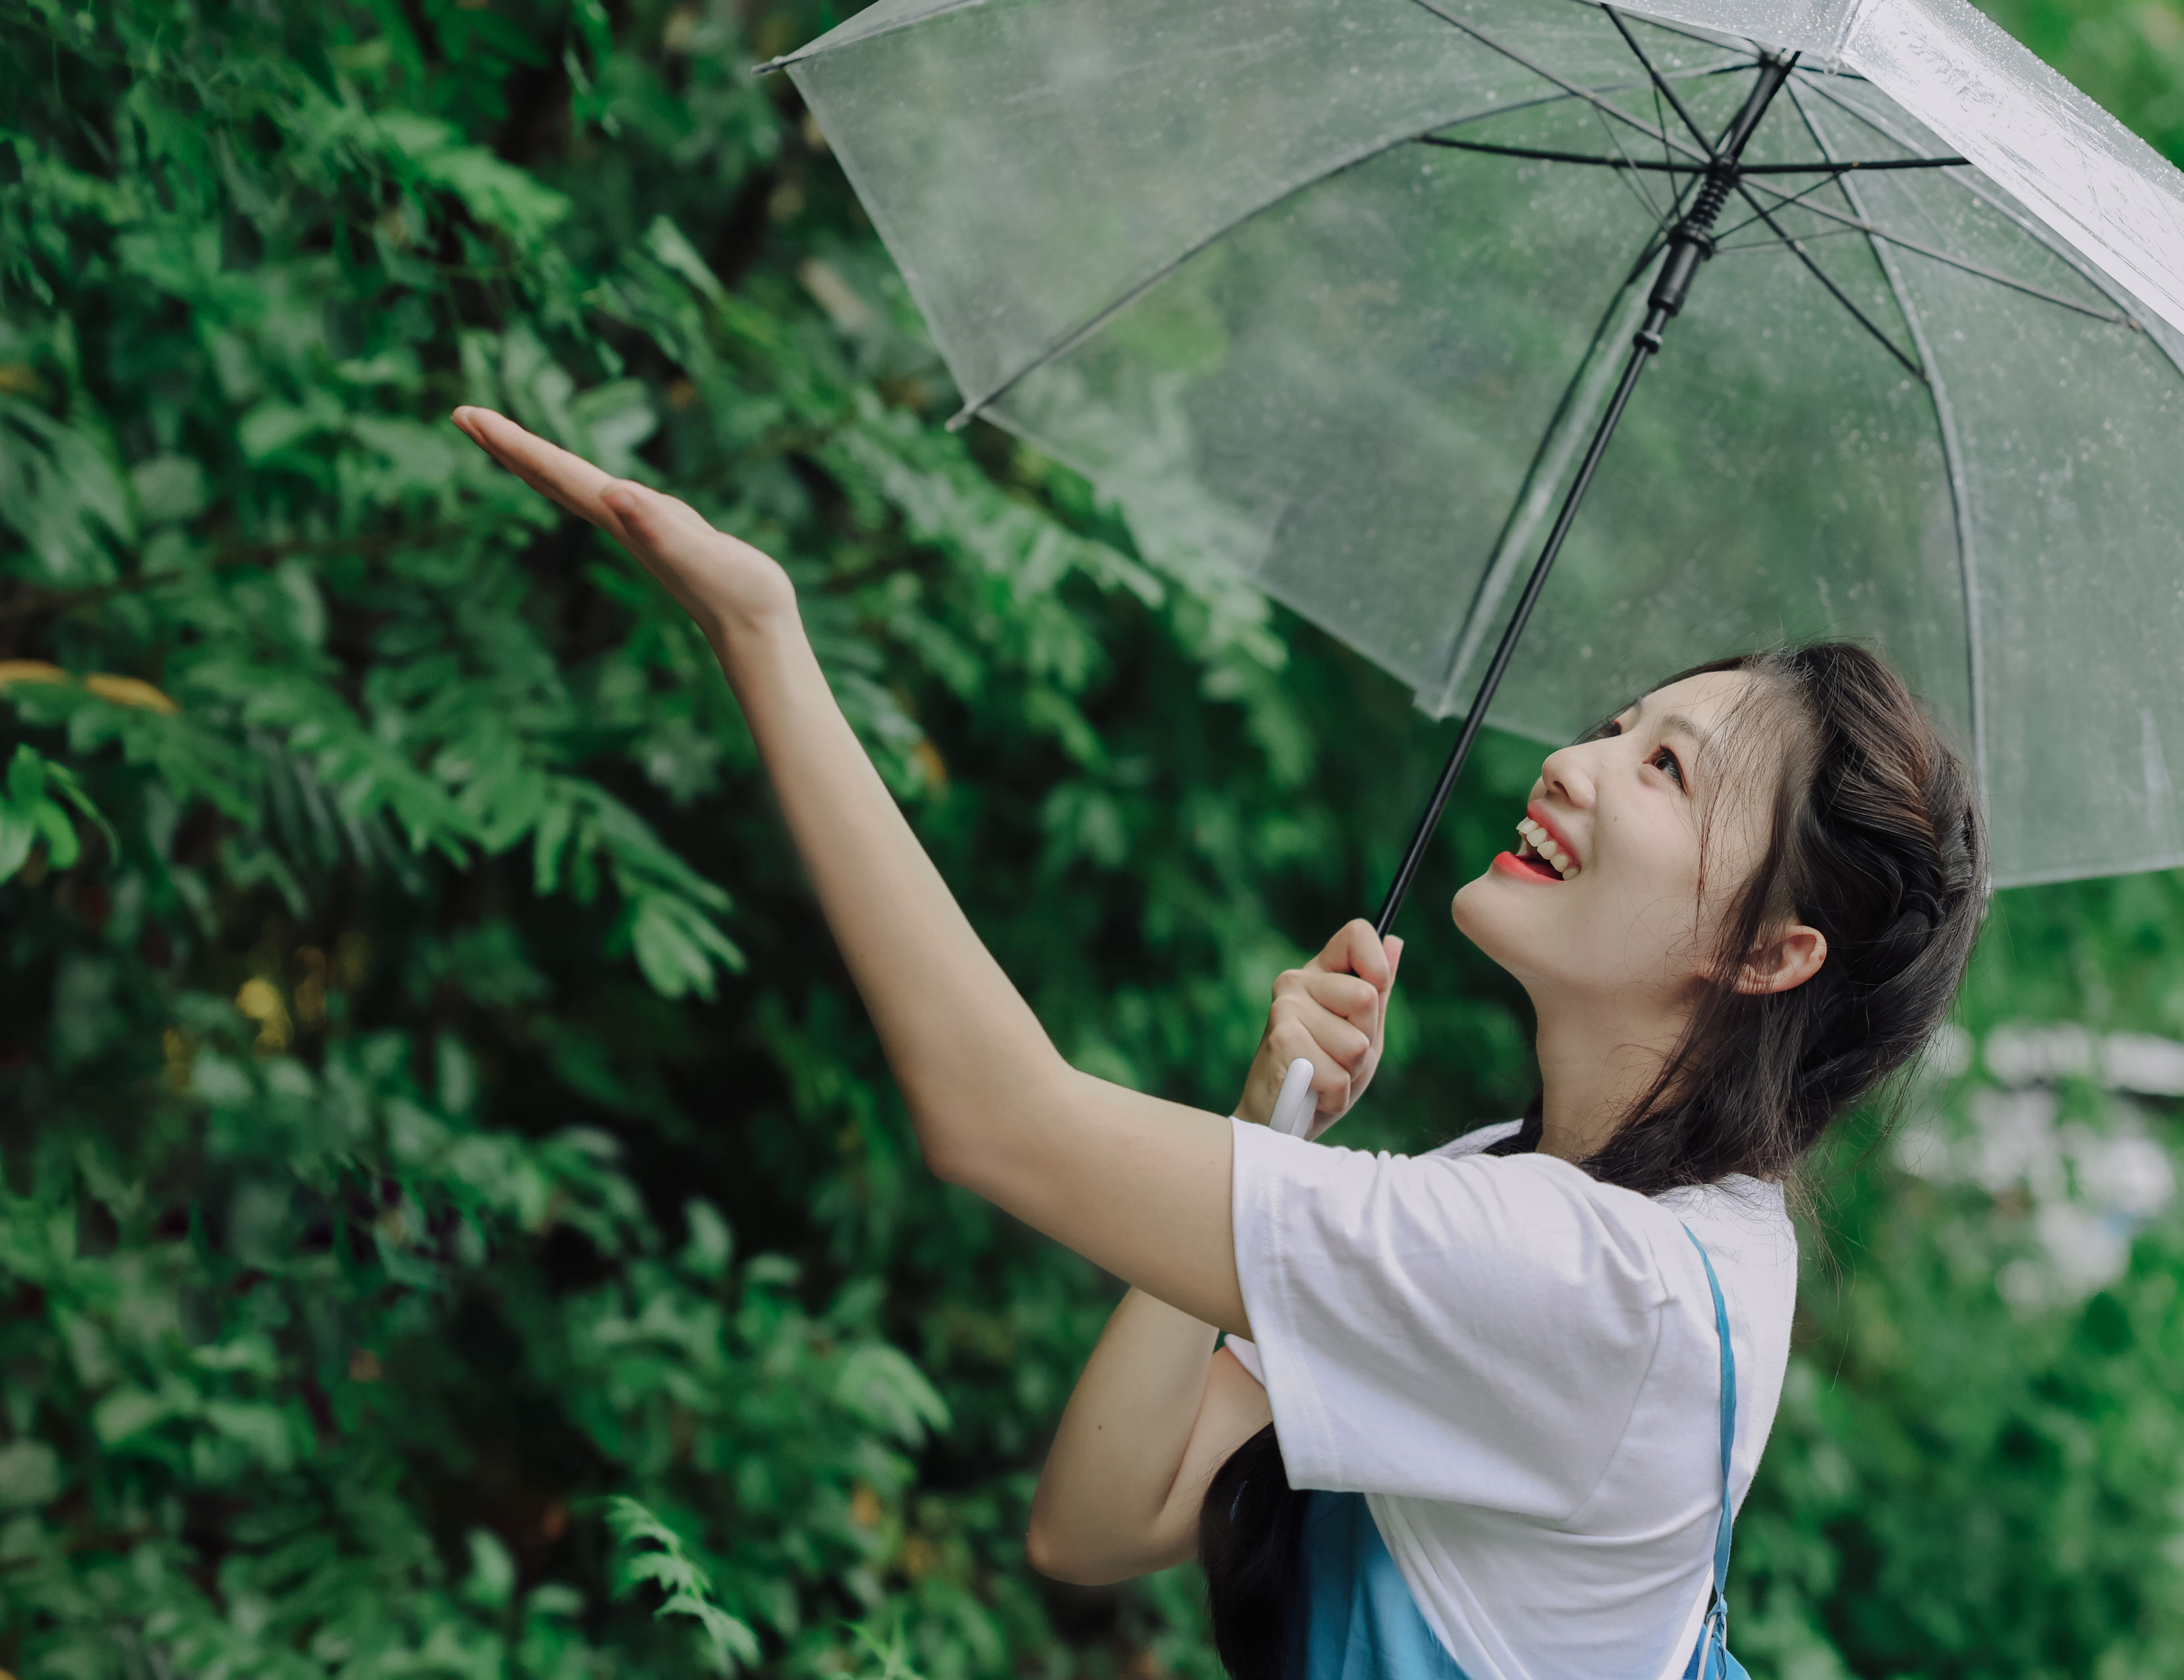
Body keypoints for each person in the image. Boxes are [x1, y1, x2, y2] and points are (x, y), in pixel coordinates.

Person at [452, 405, 1986, 1680]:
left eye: (1665, 770)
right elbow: (1105, 1521)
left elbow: (997, 1117)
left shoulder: (1597, 1284)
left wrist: (763, 631)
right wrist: (1269, 1126)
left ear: (1770, 953)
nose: (1577, 765)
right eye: (1615, 722)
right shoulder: (1612, 1214)